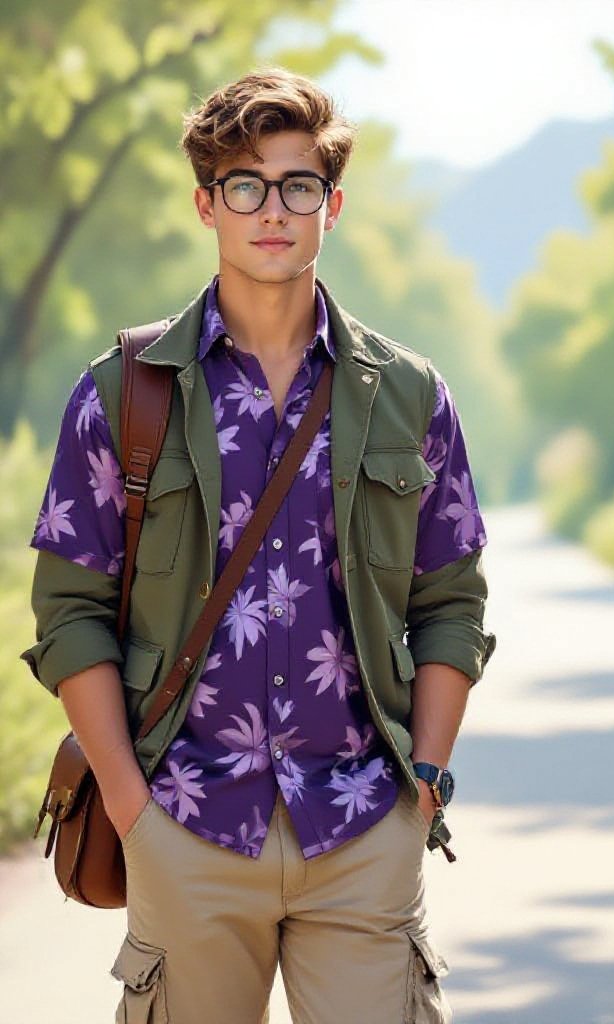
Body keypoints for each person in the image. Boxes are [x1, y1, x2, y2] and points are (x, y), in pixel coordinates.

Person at [22, 67, 494, 1024]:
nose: (272, 209)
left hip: (365, 824)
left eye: (298, 186)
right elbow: (69, 616)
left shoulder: (408, 394)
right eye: (245, 185)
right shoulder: (122, 391)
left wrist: (424, 795)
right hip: (184, 822)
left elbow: (452, 602)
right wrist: (130, 812)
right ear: (207, 204)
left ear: (334, 206)